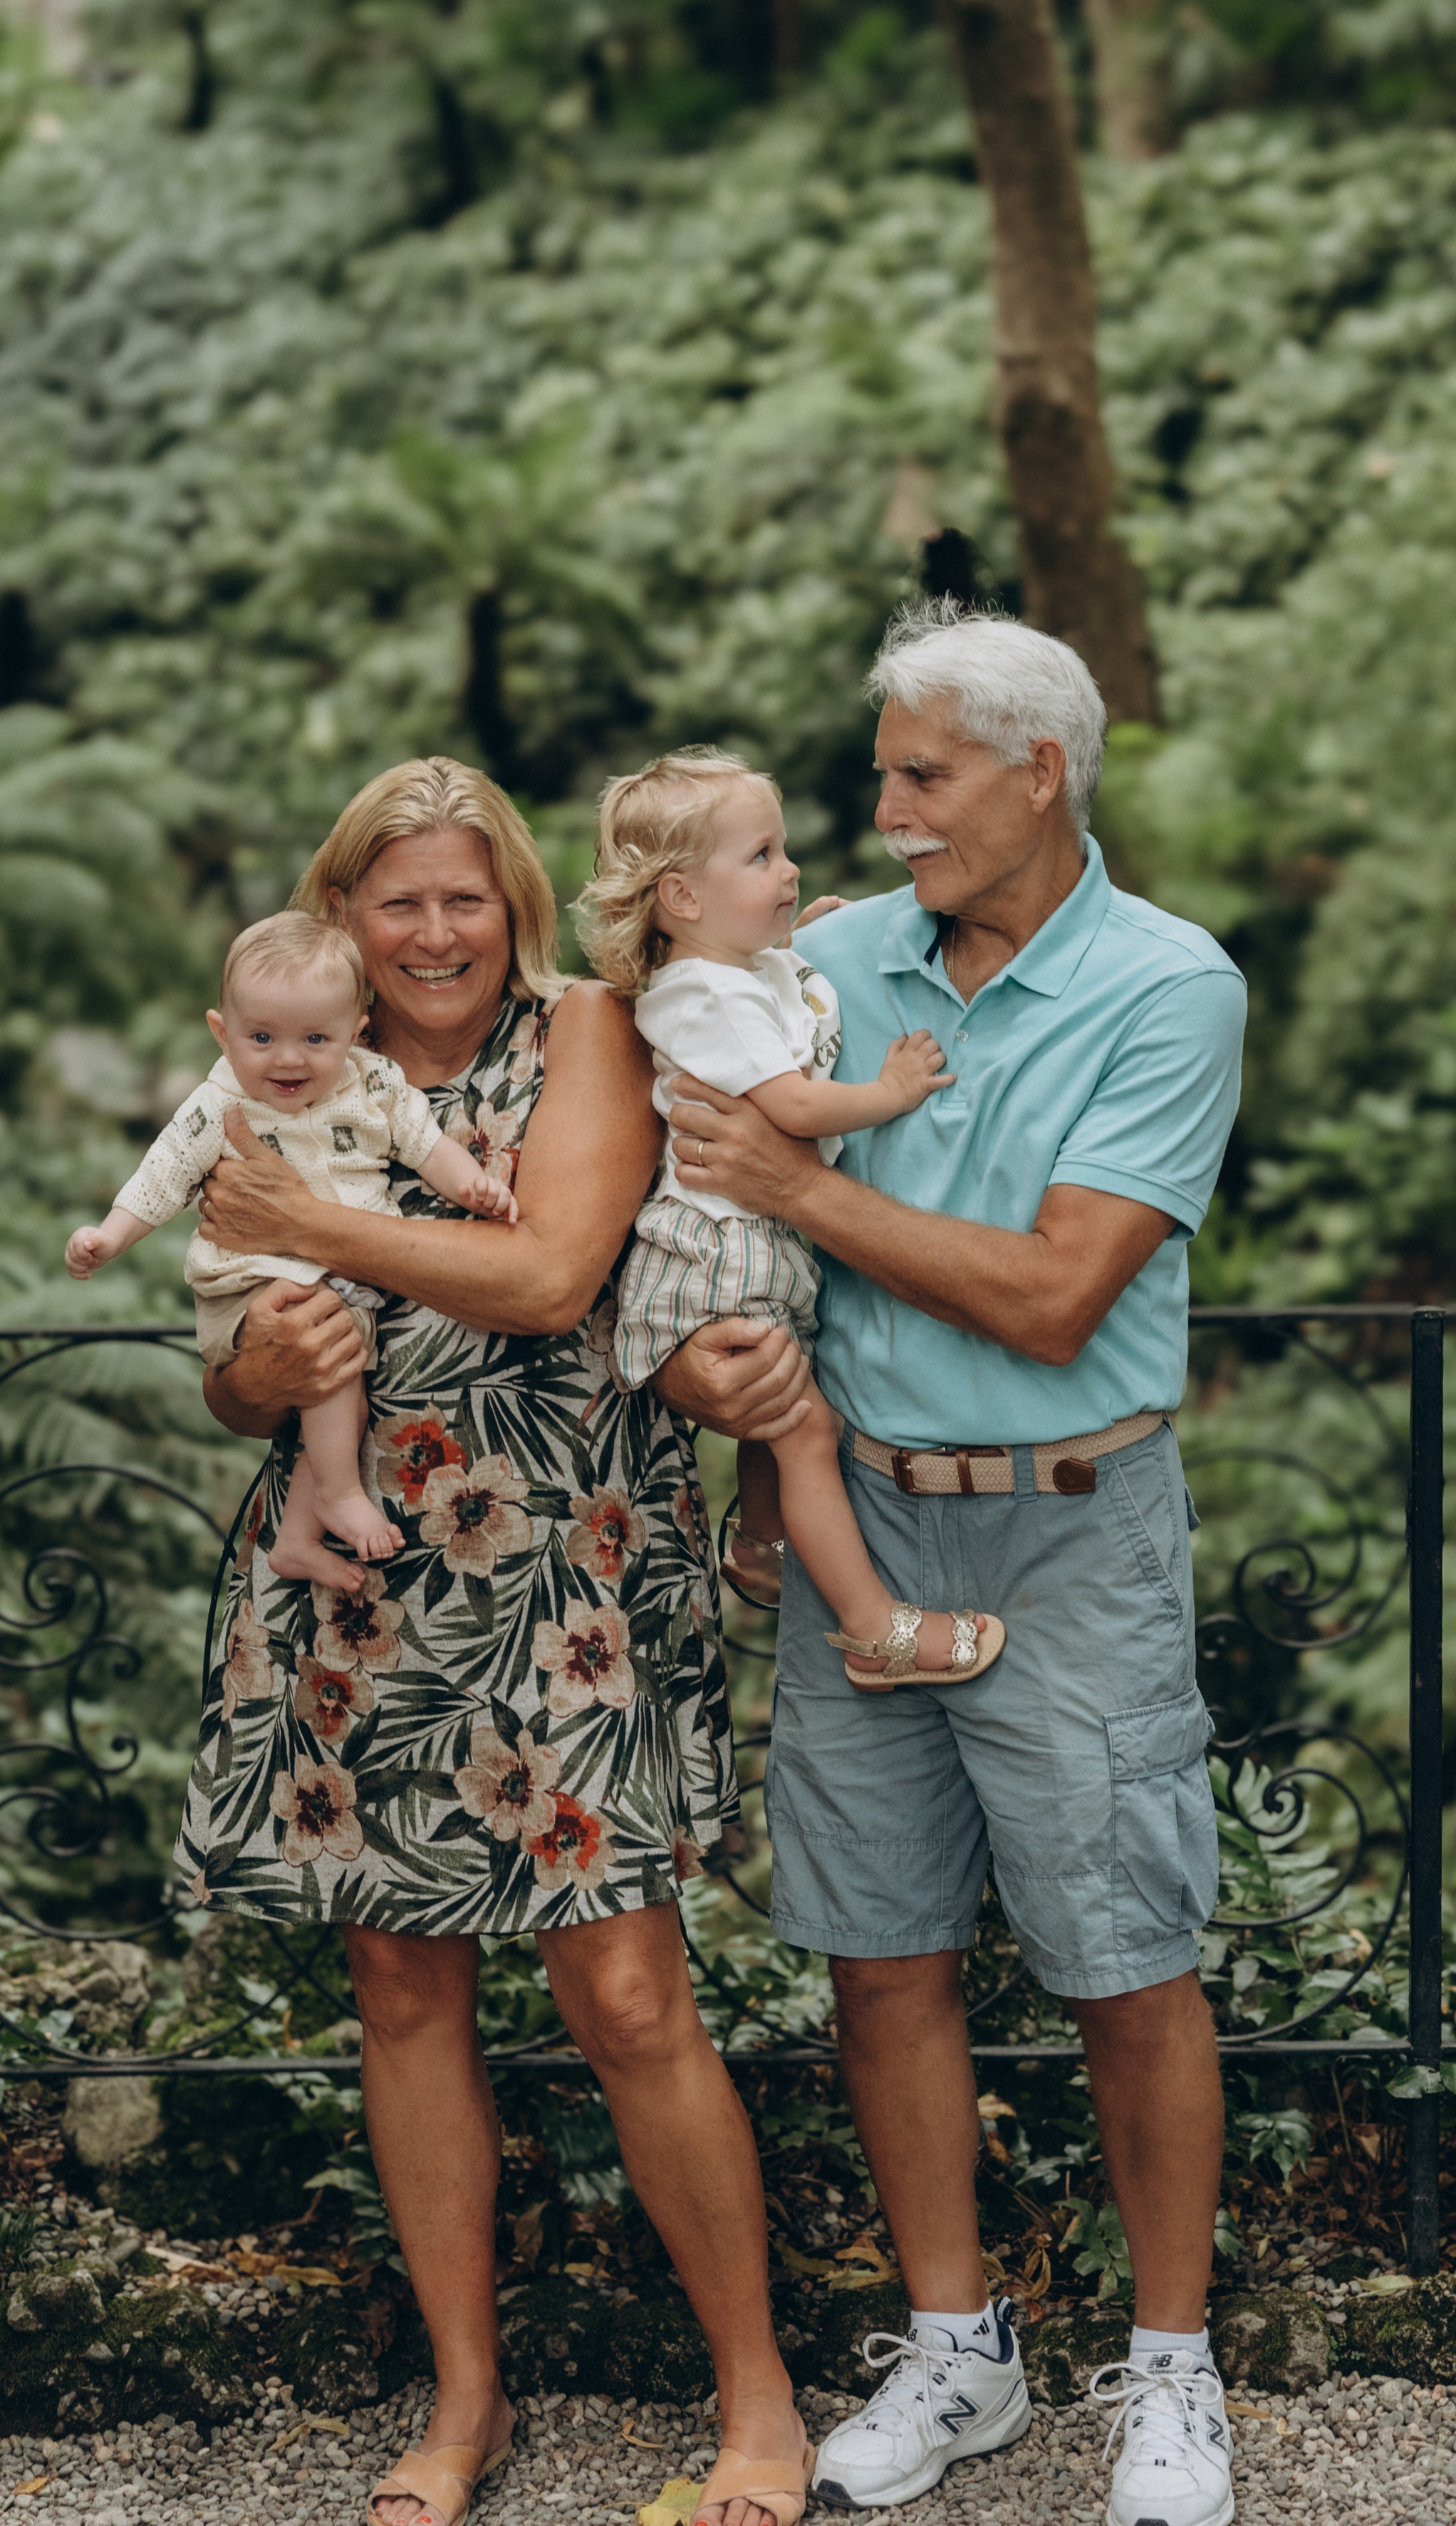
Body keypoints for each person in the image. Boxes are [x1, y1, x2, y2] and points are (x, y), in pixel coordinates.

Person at [174, 758, 811, 2526]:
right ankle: (464, 2400)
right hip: (357, 1573)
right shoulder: (284, 1060)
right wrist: (263, 1366)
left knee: (627, 1991)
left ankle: (757, 2396)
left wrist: (310, 1225)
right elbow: (231, 1369)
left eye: (464, 896)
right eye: (398, 901)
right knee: (401, 1990)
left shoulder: (586, 1030)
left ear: (512, 902)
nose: (434, 932)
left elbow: (547, 1275)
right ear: (345, 913)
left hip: (566, 1571)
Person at [664, 605, 1248, 2526]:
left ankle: (1171, 2369)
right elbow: (680, 1149)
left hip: (1073, 1522)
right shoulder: (827, 962)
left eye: (922, 775)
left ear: (1038, 770)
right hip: (859, 1522)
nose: (888, 811)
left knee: (1128, 1962)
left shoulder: (1168, 986)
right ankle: (955, 2346)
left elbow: (1063, 1293)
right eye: (884, 775)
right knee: (882, 1950)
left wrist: (797, 1186)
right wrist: (721, 1369)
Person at [578, 745, 1001, 1690]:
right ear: (682, 898)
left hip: (751, 1242)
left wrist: (795, 948)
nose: (790, 869)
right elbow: (797, 1107)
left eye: (784, 850)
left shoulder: (735, 972)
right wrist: (893, 1091)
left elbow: (776, 1011)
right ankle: (875, 1630)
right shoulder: (704, 993)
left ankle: (764, 1543)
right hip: (721, 1251)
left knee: (787, 1418)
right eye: (762, 856)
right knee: (806, 1429)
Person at [65, 911, 516, 1587]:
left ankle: (299, 1537)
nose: (288, 1059)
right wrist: (109, 1235)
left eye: (315, 1038)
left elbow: (425, 1145)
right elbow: (163, 1174)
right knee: (330, 1379)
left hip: (339, 1288)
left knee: (341, 1402)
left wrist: (471, 1185)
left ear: (355, 1032)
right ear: (222, 1032)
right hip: (254, 1285)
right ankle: (338, 1495)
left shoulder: (373, 1085)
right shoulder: (219, 1104)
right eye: (262, 1037)